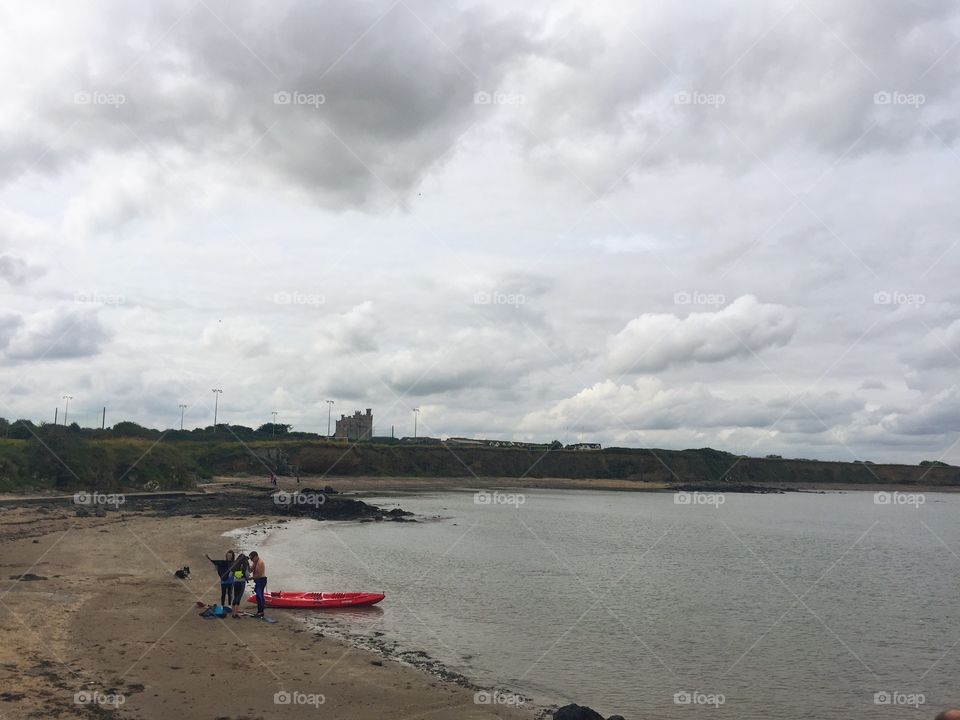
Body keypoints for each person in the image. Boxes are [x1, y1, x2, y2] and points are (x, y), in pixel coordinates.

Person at [229, 552, 250, 618]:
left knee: (235, 597)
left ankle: (233, 613)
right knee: (238, 598)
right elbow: (247, 574)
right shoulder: (245, 565)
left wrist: (236, 575)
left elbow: (230, 575)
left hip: (235, 582)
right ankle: (235, 614)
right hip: (242, 583)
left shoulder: (235, 565)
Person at [249, 551, 267, 617]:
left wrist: (250, 578)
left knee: (259, 596)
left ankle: (261, 612)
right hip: (258, 580)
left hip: (261, 580)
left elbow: (259, 575)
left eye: (252, 558)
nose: (251, 560)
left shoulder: (260, 563)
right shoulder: (255, 562)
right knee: (259, 595)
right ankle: (260, 611)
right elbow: (251, 570)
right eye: (251, 559)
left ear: (256, 556)